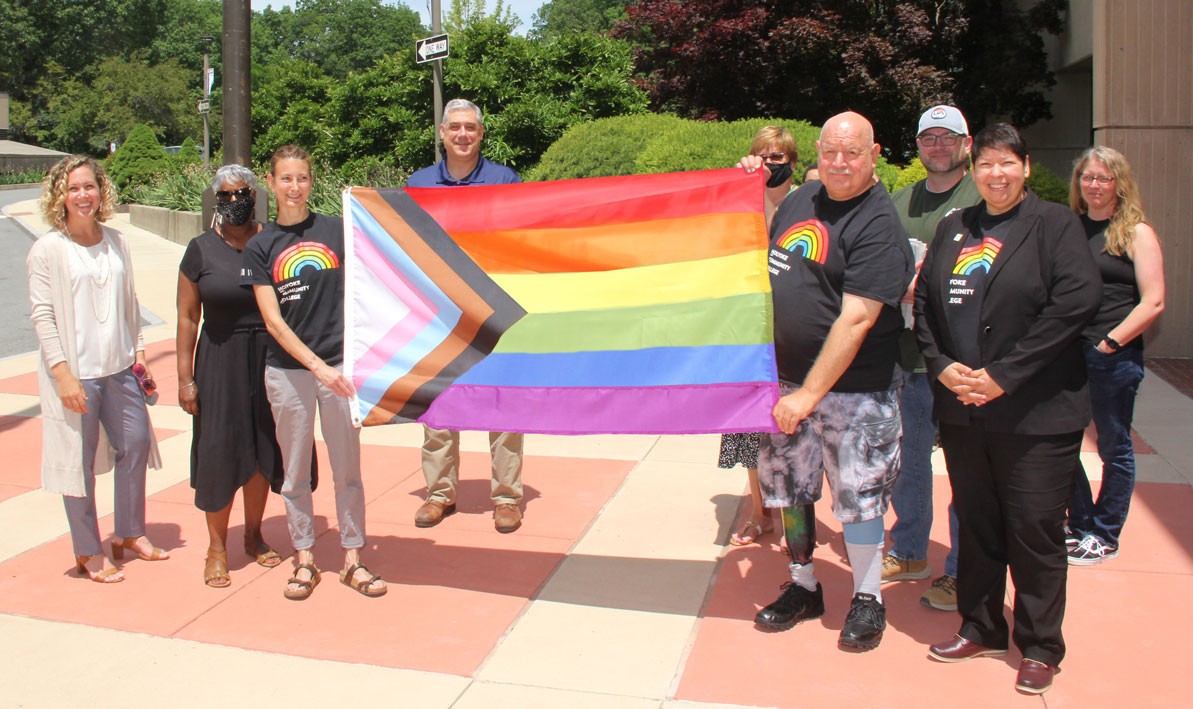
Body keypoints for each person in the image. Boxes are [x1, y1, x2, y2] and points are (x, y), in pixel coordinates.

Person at [916, 124, 1100, 694]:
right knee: (977, 524)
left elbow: (1075, 303)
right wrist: (942, 366)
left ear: (1025, 166)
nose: (996, 175)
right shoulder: (956, 227)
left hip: (1035, 413)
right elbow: (924, 305)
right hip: (965, 409)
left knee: (1034, 530)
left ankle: (1041, 644)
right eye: (986, 165)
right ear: (974, 171)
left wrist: (1004, 375)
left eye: (1007, 164)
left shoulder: (1054, 225)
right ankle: (982, 625)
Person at [739, 112, 914, 651]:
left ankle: (867, 599)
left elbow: (857, 318)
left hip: (854, 393)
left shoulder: (879, 224)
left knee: (859, 498)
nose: (840, 162)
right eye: (831, 152)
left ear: (874, 154)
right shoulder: (800, 201)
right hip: (786, 383)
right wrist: (743, 182)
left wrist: (810, 394)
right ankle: (802, 585)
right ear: (818, 152)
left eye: (852, 153)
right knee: (789, 489)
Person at [242, 145, 386, 600]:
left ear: (311, 180)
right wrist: (318, 368)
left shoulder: (338, 231)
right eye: (286, 178)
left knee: (348, 470)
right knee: (295, 474)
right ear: (271, 182)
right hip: (291, 375)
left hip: (341, 371)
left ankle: (353, 557)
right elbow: (273, 323)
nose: (295, 187)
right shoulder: (260, 246)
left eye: (302, 177)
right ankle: (303, 556)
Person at [27, 155, 167, 584]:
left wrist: (139, 354)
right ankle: (88, 550)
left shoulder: (116, 241)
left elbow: (131, 303)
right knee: (78, 463)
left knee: (137, 444)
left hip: (121, 369)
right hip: (77, 374)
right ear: (59, 197)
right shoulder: (48, 249)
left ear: (100, 191)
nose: (83, 195)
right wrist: (62, 373)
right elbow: (42, 315)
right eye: (73, 189)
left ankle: (128, 532)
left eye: (89, 186)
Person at [178, 164, 317, 588]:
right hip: (219, 358)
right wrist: (186, 378)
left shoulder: (274, 241)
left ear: (256, 195)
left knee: (263, 447)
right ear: (215, 199)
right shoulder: (200, 249)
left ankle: (254, 535)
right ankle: (216, 547)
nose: (235, 202)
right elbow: (187, 317)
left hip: (273, 357)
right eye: (226, 195)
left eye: (243, 194)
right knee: (220, 450)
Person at [406, 98, 526, 534]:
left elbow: (520, 239)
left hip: (496, 311)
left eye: (470, 128)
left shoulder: (504, 179)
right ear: (441, 132)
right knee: (438, 403)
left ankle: (508, 498)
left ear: (480, 133)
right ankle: (439, 494)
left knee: (502, 403)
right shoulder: (417, 184)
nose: (462, 134)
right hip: (439, 314)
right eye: (454, 127)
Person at [883, 106, 981, 610]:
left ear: (967, 144)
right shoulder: (898, 201)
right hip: (907, 356)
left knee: (967, 469)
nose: (938, 147)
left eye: (948, 138)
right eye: (929, 138)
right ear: (918, 146)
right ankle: (909, 550)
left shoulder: (984, 199)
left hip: (964, 361)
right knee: (908, 460)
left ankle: (964, 571)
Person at [1066, 146, 1165, 565]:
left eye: (1104, 178)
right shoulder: (1069, 228)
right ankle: (1080, 522)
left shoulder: (1135, 233)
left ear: (1119, 183)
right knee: (1063, 441)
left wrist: (1110, 342)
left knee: (1114, 446)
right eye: (1088, 177)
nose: (1095, 185)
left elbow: (1153, 301)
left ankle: (1105, 533)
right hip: (1068, 355)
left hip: (1113, 357)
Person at [723, 125, 797, 546]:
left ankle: (790, 516)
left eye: (780, 157)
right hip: (748, 329)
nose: (771, 163)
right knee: (749, 426)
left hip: (791, 330)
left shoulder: (806, 201)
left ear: (792, 161)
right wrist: (739, 182)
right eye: (763, 155)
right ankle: (758, 510)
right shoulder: (738, 194)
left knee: (788, 429)